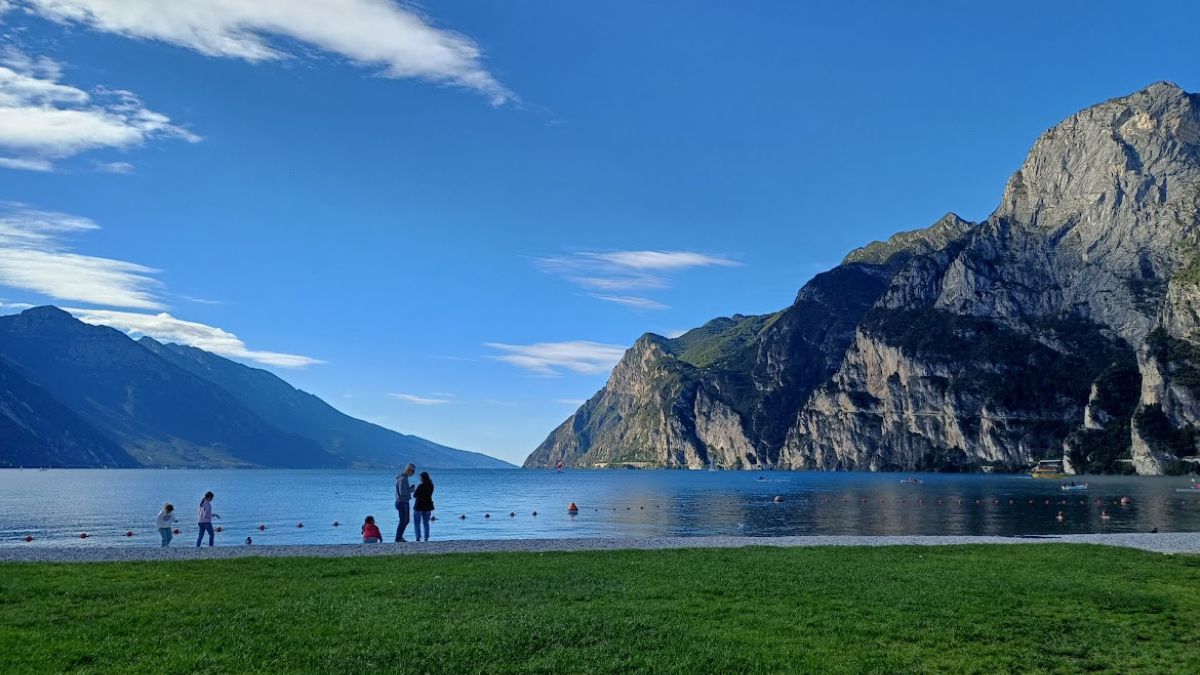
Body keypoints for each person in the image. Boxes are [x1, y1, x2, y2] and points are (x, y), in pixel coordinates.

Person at [395, 464, 415, 542]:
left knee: (405, 521)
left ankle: (399, 537)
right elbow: (402, 492)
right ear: (408, 470)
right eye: (413, 471)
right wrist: (411, 490)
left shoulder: (404, 478)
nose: (413, 473)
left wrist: (409, 489)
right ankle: (398, 538)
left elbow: (403, 491)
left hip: (403, 502)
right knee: (403, 521)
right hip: (402, 502)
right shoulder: (403, 479)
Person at [413, 472, 435, 542]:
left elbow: (415, 495)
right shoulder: (431, 486)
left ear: (422, 478)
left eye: (420, 477)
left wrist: (414, 490)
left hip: (419, 506)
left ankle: (418, 537)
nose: (419, 479)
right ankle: (426, 537)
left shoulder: (420, 486)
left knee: (417, 522)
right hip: (428, 506)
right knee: (426, 522)